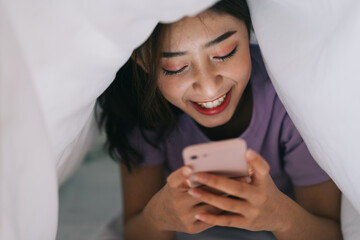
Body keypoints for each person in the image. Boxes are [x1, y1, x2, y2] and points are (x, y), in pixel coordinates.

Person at [97, 0, 342, 239]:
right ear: (142, 62)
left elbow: (331, 232)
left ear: (252, 30)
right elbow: (136, 229)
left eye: (225, 53)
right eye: (175, 67)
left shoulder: (288, 102)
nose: (208, 88)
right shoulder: (140, 108)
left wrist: (280, 216)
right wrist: (157, 217)